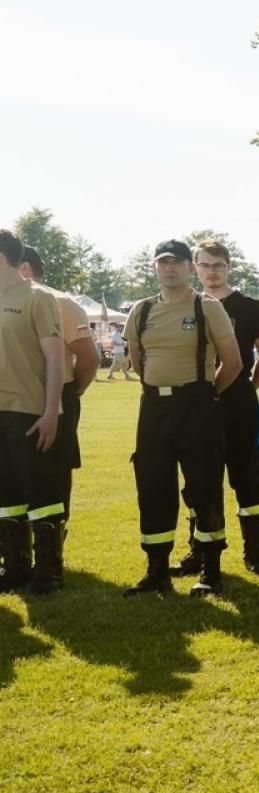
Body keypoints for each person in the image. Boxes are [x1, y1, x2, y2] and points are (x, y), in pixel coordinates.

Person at [123, 239, 244, 597]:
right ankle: (157, 569)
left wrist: (206, 395)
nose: (170, 268)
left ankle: (210, 570)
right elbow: (135, 358)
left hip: (197, 406)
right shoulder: (141, 311)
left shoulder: (206, 307)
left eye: (177, 262)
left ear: (190, 267)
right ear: (154, 268)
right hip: (153, 408)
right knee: (152, 485)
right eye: (163, 262)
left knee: (204, 486)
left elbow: (233, 363)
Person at [169, 239, 259, 578]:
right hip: (195, 406)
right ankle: (198, 552)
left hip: (239, 404)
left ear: (228, 268)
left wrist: (245, 387)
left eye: (218, 265)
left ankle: (254, 554)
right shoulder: (187, 305)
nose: (212, 272)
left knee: (247, 481)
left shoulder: (249, 306)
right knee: (199, 482)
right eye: (205, 265)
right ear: (194, 268)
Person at [17, 245, 97, 589]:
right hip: (15, 399)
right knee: (14, 474)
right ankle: (19, 556)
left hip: (58, 395)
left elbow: (88, 357)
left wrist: (71, 393)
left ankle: (51, 554)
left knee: (54, 471)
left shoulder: (61, 302)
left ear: (23, 268)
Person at [0, 230, 64, 595]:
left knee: (41, 493)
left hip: (29, 412)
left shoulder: (37, 298)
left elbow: (55, 360)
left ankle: (48, 570)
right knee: (5, 494)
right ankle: (15, 567)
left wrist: (51, 411)